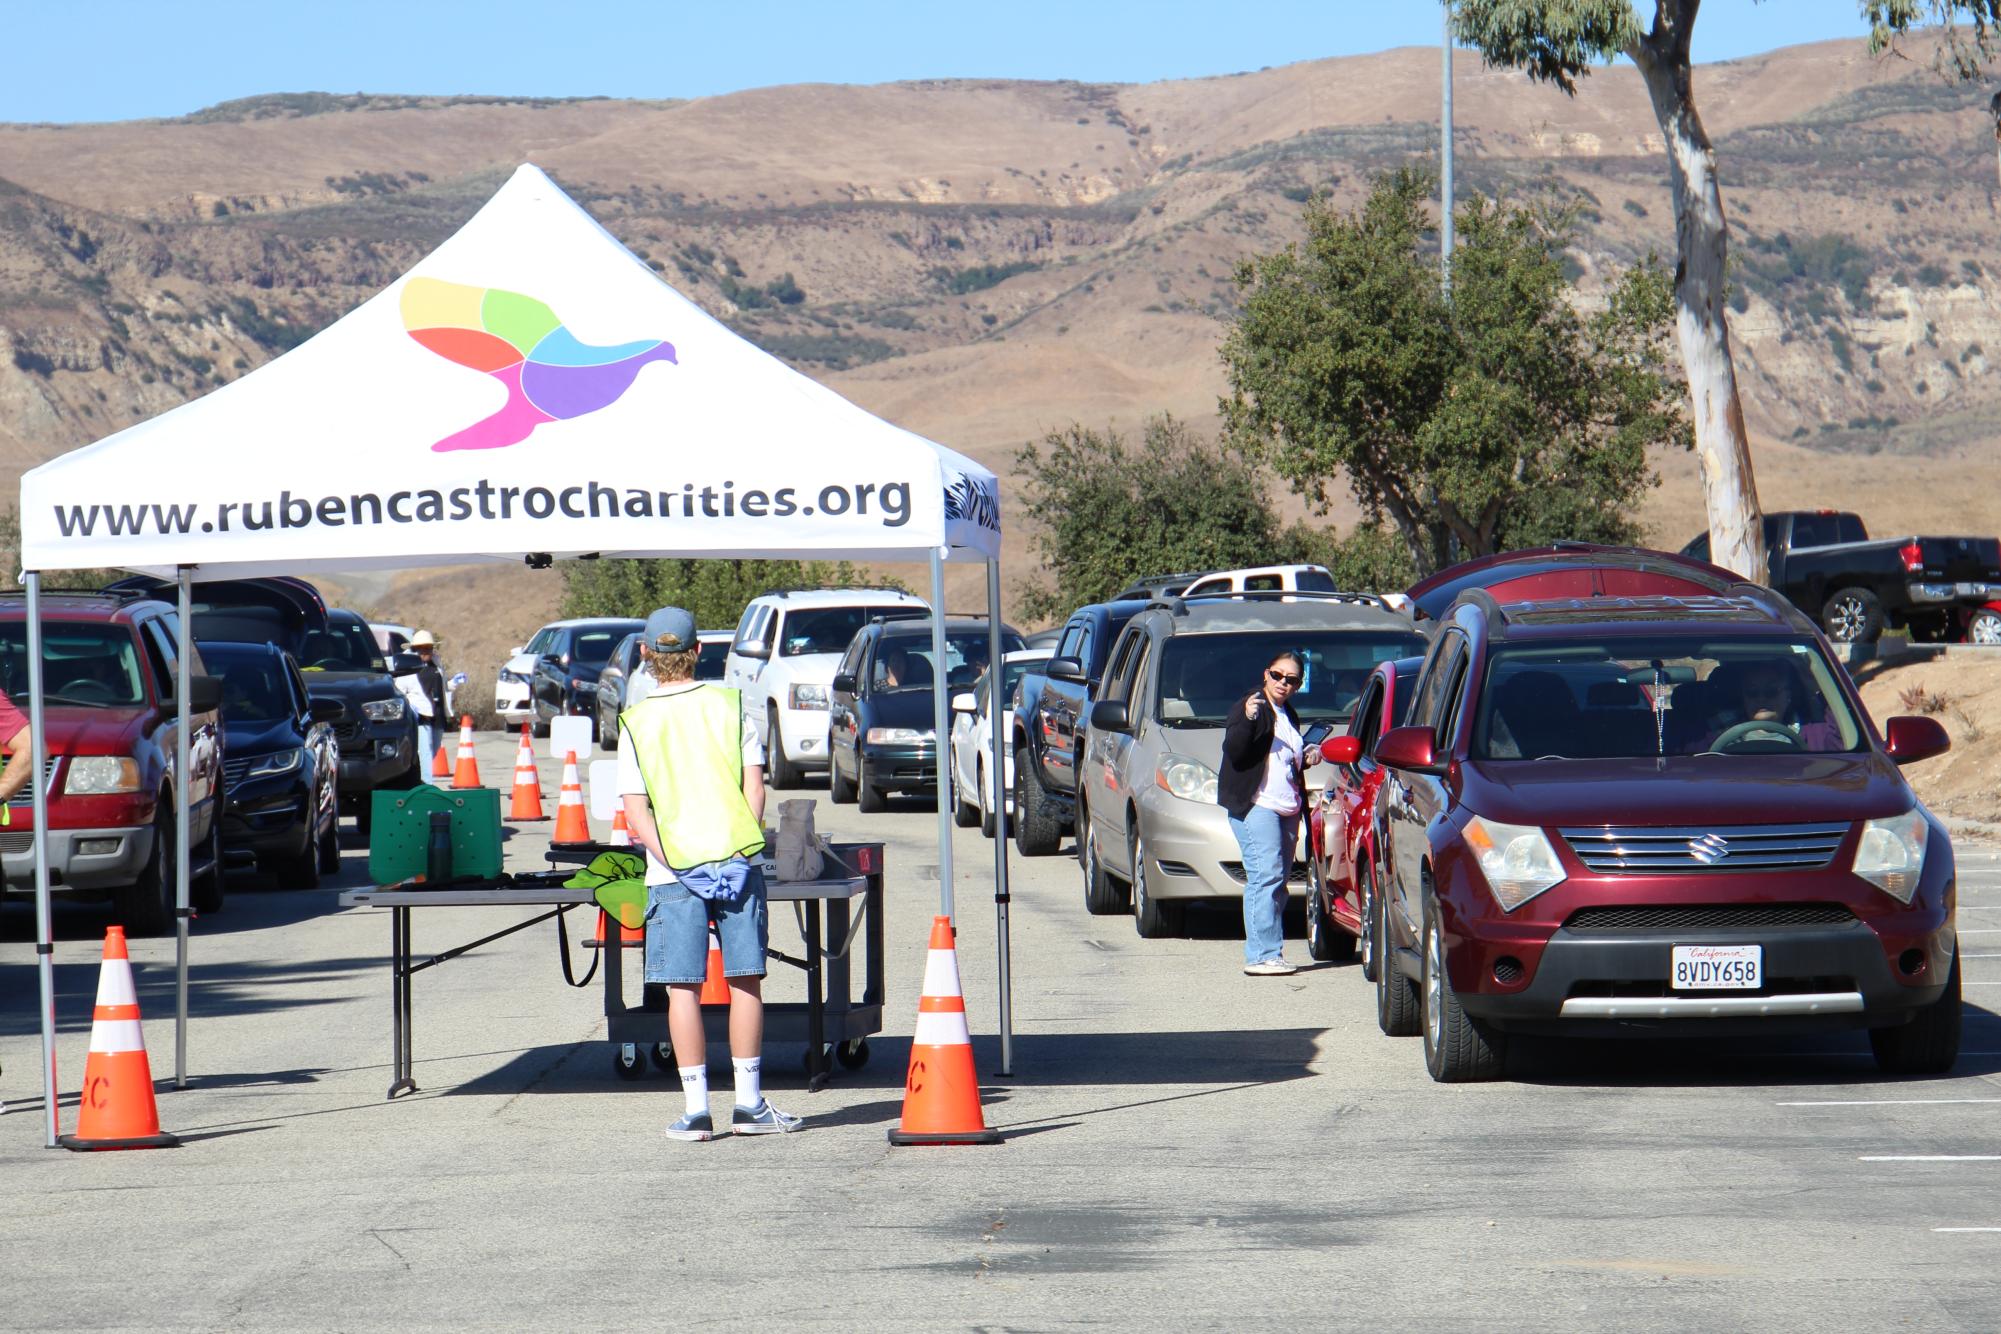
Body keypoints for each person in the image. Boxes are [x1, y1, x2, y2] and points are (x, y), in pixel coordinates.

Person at [617, 606, 799, 1142]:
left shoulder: (637, 722)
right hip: (736, 864)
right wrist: (739, 852)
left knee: (683, 988)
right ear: (699, 652)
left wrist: (673, 859)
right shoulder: (731, 705)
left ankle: (697, 1112)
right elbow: (755, 790)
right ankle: (749, 1105)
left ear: (647, 657)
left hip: (672, 871)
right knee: (744, 979)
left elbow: (635, 810)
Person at [1218, 650, 1323, 976]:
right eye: (1278, 675)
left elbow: (1285, 760)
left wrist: (1306, 753)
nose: (1283, 683)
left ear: (1298, 685)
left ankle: (1270, 952)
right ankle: (1260, 955)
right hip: (1257, 805)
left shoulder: (1287, 712)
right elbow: (1235, 750)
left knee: (1277, 882)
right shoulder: (1252, 705)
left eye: (1291, 680)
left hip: (1286, 806)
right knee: (1266, 877)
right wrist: (1248, 719)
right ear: (1267, 674)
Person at [1697, 661, 1840, 752]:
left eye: (1771, 691)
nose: (1761, 698)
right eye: (1752, 692)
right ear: (1744, 698)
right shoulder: (1714, 733)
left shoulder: (1816, 734)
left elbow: (1843, 738)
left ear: (1788, 696)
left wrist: (1817, 688)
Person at [398, 630, 451, 766]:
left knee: (434, 749)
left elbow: (444, 686)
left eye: (429, 648)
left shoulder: (436, 664)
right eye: (421, 649)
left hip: (437, 714)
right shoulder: (407, 668)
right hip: (421, 715)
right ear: (414, 649)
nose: (426, 652)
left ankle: (423, 777)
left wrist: (453, 684)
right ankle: (425, 782)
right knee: (425, 750)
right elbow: (400, 692)